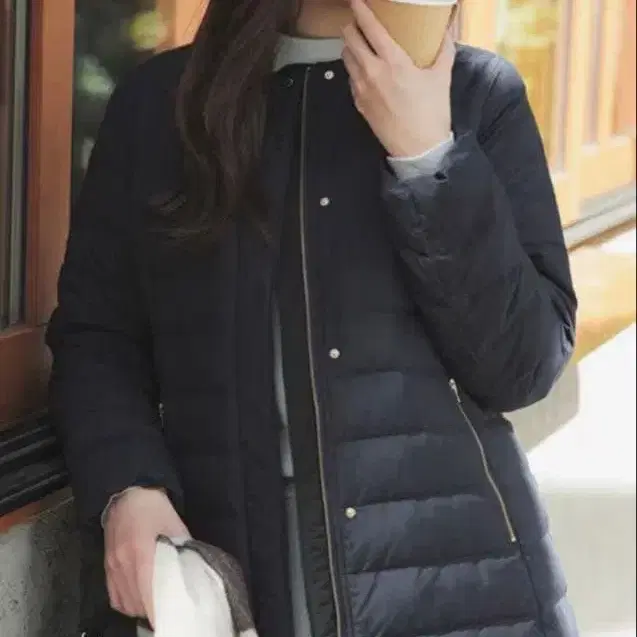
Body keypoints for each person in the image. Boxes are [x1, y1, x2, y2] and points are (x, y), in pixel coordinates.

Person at [47, 0, 580, 635]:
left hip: (468, 598)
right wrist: (127, 488)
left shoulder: (477, 95)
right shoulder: (159, 108)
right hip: (236, 595)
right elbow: (97, 337)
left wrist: (429, 155)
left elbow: (524, 366)